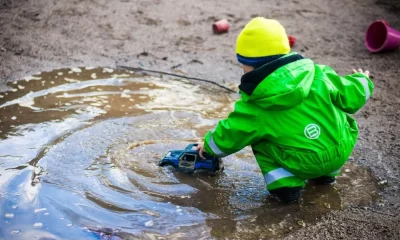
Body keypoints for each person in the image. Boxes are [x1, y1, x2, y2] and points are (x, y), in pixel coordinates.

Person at [196, 17, 374, 203]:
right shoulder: (318, 73)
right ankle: (325, 178)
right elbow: (352, 95)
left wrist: (208, 148)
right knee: (333, 120)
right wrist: (363, 80)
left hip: (301, 163)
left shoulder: (255, 104)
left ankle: (286, 187)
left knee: (258, 138)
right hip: (339, 151)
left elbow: (232, 133)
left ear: (248, 65)